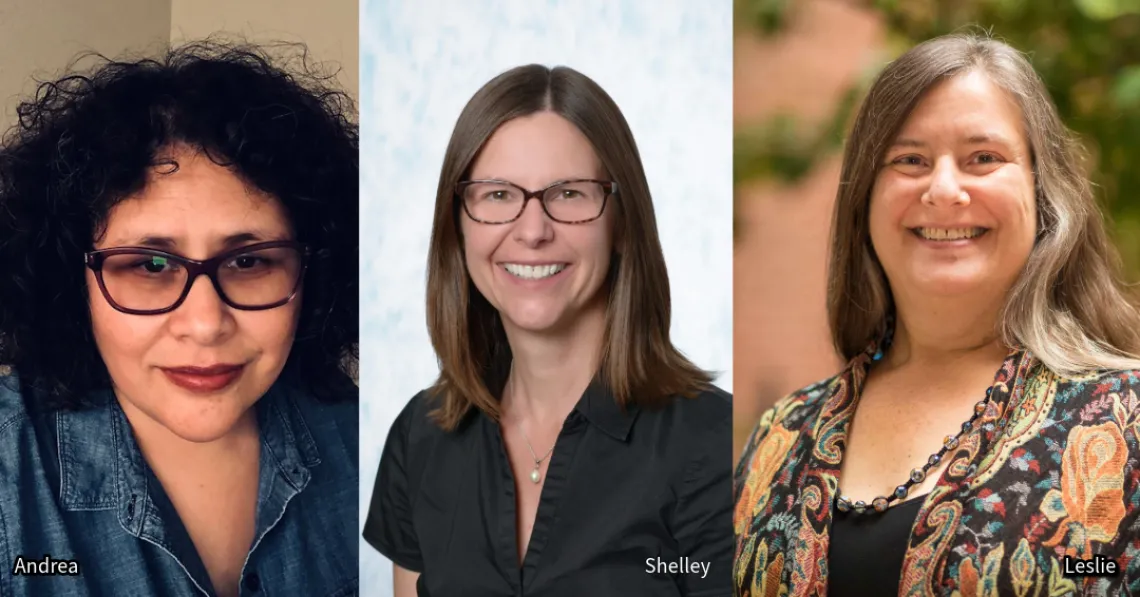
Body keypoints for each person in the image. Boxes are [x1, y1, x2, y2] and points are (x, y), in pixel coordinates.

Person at [733, 32, 1140, 596]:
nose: (944, 189)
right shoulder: (779, 436)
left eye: (984, 158)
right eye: (909, 160)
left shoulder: (1125, 420)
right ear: (865, 201)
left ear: (1044, 194)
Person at [0, 41, 359, 597]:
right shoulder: (10, 476)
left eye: (248, 261)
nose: (205, 323)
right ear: (72, 282)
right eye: (150, 264)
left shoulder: (369, 442)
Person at [363, 64, 733, 596]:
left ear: (622, 223)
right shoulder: (422, 440)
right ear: (458, 225)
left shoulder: (715, 448)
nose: (533, 231)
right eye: (497, 195)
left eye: (570, 194)